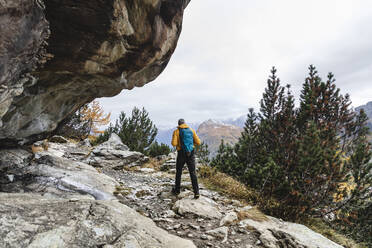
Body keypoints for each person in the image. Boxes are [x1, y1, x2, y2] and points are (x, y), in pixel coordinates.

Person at [171, 118, 201, 199]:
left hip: (181, 154)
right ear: (185, 123)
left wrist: (178, 145)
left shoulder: (176, 131)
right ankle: (196, 192)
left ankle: (177, 190)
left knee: (179, 172)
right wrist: (191, 146)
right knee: (192, 172)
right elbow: (198, 142)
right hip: (191, 153)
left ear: (179, 124)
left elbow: (174, 143)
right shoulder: (191, 130)